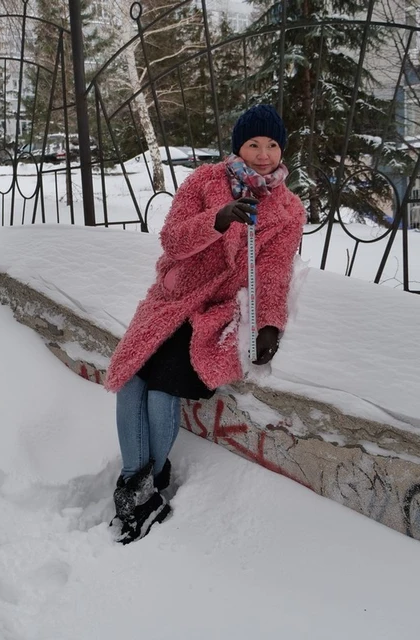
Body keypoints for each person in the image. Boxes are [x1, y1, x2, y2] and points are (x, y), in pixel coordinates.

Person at [104, 104, 307, 544]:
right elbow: (172, 240)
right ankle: (133, 484)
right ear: (239, 146)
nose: (263, 154)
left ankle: (151, 483)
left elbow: (273, 271)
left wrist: (270, 323)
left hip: (213, 312)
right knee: (129, 379)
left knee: (162, 390)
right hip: (172, 298)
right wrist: (217, 220)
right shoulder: (204, 181)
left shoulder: (288, 209)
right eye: (254, 143)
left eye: (272, 145)